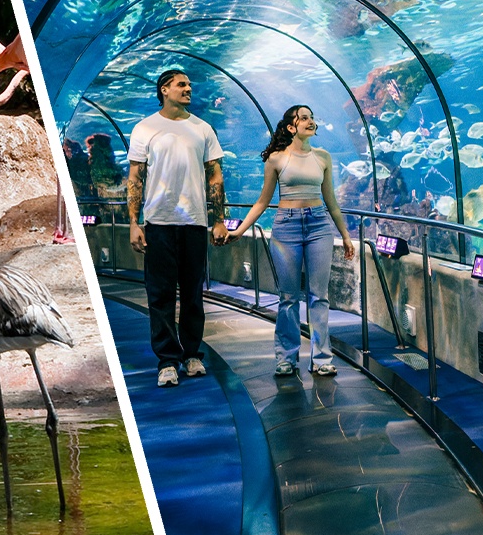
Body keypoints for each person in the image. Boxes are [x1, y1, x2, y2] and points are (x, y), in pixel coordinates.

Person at [226, 105, 355, 377]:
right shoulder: (276, 158)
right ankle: (286, 357)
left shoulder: (323, 157)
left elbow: (331, 201)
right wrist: (239, 230)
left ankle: (321, 358)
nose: (311, 121)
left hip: (319, 225)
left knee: (319, 296)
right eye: (304, 117)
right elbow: (263, 201)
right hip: (286, 226)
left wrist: (344, 234)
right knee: (288, 296)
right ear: (290, 127)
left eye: (312, 117)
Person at [127, 69, 227, 388]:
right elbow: (135, 178)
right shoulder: (145, 128)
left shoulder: (202, 128)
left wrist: (219, 219)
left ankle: (192, 354)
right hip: (158, 223)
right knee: (160, 295)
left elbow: (215, 175)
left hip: (194, 222)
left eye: (189, 83)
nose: (188, 88)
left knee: (193, 293)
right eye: (182, 84)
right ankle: (167, 360)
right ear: (164, 89)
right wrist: (134, 222)